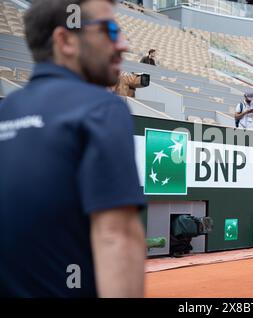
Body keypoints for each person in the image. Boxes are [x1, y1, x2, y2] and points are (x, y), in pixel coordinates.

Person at [0, 0, 146, 297]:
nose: (123, 45)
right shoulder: (102, 108)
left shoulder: (8, 110)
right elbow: (116, 237)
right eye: (110, 30)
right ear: (65, 40)